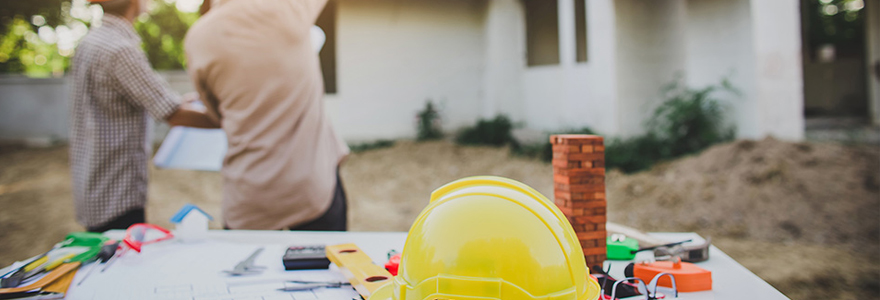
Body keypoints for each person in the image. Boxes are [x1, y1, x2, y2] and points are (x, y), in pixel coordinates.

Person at [184, 0, 350, 230]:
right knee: (323, 266)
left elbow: (217, 114)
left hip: (248, 198)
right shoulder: (288, 8)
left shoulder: (199, 37)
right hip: (309, 187)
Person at [70, 0, 218, 232]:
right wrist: (234, 120)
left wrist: (185, 101)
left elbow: (136, 99)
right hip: (115, 191)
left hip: (94, 184)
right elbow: (173, 114)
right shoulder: (120, 49)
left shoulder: (91, 42)